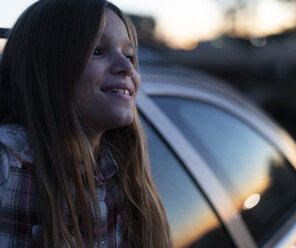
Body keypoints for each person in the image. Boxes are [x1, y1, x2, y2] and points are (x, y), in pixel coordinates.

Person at [0, 0, 172, 247]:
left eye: (130, 55)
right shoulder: (8, 164)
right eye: (97, 51)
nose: (127, 67)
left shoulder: (119, 172)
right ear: (45, 68)